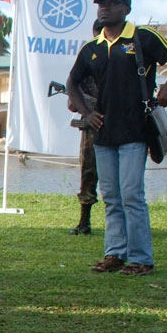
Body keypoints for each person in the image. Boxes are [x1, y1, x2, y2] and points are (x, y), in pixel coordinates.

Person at [67, 0, 167, 276]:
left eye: (111, 4)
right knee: (111, 195)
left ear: (126, 10)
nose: (104, 9)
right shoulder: (92, 49)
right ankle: (115, 253)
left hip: (134, 130)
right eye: (101, 5)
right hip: (104, 134)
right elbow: (72, 83)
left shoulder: (143, 38)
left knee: (132, 195)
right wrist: (88, 113)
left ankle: (141, 258)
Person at [67, 19, 103, 236]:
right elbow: (72, 101)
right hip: (92, 129)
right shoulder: (87, 61)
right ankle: (84, 221)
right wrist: (88, 110)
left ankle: (123, 222)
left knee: (122, 179)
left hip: (121, 125)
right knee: (88, 173)